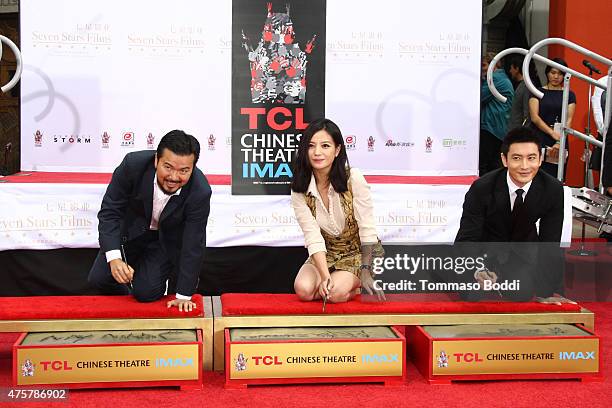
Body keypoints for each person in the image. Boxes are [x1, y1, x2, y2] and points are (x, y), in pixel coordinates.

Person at [88, 130, 212, 311]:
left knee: (146, 292)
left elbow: (194, 243)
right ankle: (125, 298)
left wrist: (184, 295)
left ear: (192, 168)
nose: (174, 177)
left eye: (184, 170)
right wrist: (114, 259)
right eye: (168, 167)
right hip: (130, 234)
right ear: (156, 160)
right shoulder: (133, 166)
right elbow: (110, 212)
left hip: (165, 242)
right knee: (99, 279)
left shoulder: (200, 191)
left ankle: (142, 286)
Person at [455, 127, 574, 304]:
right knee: (472, 297)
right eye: (517, 158)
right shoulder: (482, 188)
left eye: (531, 158)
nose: (525, 166)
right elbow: (467, 238)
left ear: (540, 159)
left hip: (522, 251)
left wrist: (547, 292)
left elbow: (550, 242)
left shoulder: (552, 189)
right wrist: (477, 269)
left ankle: (508, 282)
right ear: (505, 159)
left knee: (521, 294)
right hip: (484, 249)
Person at [290, 118, 384, 303]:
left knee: (333, 294)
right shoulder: (299, 188)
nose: (317, 152)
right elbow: (312, 236)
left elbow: (367, 228)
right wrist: (325, 276)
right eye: (311, 146)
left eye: (325, 146)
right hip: (326, 254)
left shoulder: (353, 178)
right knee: (304, 290)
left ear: (337, 150)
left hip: (356, 254)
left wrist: (365, 270)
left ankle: (352, 289)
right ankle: (332, 283)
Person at [529, 57, 576, 178]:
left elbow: (569, 119)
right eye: (553, 72)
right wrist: (551, 133)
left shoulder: (569, 94)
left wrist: (560, 141)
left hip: (560, 138)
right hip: (539, 137)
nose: (556, 77)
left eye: (560, 74)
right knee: (535, 175)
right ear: (547, 73)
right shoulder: (537, 91)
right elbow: (534, 117)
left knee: (556, 178)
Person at [480, 52, 514, 176]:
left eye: (484, 65)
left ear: (493, 65)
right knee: (493, 164)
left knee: (485, 164)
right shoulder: (502, 78)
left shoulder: (495, 79)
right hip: (498, 126)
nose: (482, 68)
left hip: (492, 126)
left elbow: (478, 98)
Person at [507, 55, 531, 130]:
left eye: (511, 68)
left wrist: (523, 134)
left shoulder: (526, 86)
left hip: (518, 133)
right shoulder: (519, 85)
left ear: (517, 69)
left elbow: (527, 114)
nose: (510, 71)